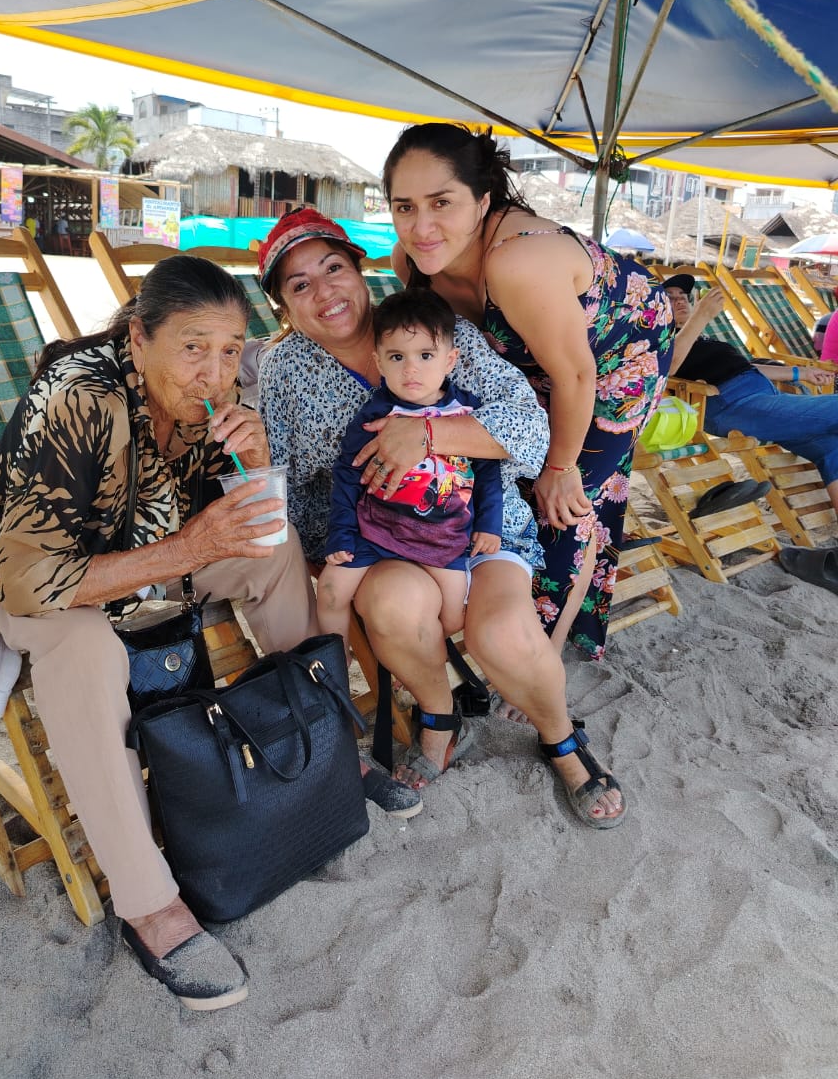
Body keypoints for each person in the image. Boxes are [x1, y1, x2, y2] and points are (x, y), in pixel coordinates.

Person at [0, 255, 323, 1011]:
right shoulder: (78, 397)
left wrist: (256, 463)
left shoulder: (212, 395)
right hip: (25, 567)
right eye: (193, 347)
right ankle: (151, 904)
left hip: (146, 553)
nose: (216, 372)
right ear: (138, 338)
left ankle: (315, 734)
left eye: (230, 350)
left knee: (274, 546)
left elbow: (240, 517)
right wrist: (188, 550)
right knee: (82, 647)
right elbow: (29, 579)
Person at [257, 207, 628, 827]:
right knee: (390, 607)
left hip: (479, 525)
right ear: (284, 306)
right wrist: (330, 552)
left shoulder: (430, 326)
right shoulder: (284, 369)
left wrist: (428, 437)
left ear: (359, 271)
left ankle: (561, 738)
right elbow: (291, 480)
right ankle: (439, 716)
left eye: (333, 268)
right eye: (300, 284)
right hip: (386, 543)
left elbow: (530, 426)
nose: (323, 291)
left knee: (502, 633)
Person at [383, 123, 675, 661]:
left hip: (617, 359)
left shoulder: (518, 260)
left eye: (441, 203)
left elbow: (577, 376)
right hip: (535, 366)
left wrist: (560, 469)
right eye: (404, 207)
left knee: (562, 504)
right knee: (506, 482)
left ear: (483, 201)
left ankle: (548, 653)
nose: (421, 227)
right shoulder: (411, 262)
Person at [318, 287, 503, 648]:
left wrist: (489, 524)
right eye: (397, 356)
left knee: (454, 618)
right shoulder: (374, 417)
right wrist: (341, 533)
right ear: (379, 362)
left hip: (444, 540)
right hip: (375, 532)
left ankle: (419, 655)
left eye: (425, 355)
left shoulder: (467, 414)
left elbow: (488, 473)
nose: (411, 368)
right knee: (329, 592)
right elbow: (347, 476)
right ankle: (337, 666)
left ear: (450, 360)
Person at [663, 273, 838, 521]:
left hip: (763, 397)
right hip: (731, 404)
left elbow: (746, 367)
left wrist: (802, 373)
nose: (680, 300)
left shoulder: (702, 339)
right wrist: (700, 316)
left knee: (833, 450)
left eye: (683, 295)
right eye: (669, 297)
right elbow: (666, 368)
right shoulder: (658, 338)